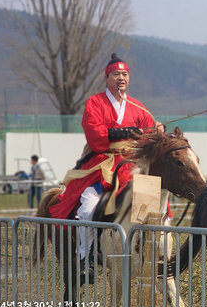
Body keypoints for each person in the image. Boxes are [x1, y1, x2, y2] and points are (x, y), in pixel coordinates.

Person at [48, 53, 156, 282]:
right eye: (116, 74)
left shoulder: (139, 107)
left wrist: (156, 131)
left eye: (125, 74)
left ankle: (155, 255)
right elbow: (95, 134)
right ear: (106, 78)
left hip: (132, 165)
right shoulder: (95, 103)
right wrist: (123, 132)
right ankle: (85, 258)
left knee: (155, 204)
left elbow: (149, 132)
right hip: (102, 164)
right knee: (88, 208)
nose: (121, 78)